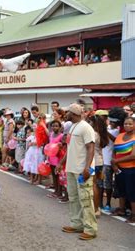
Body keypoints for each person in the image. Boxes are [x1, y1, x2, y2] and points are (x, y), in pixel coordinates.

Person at [58, 103, 97, 241]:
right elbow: (70, 148)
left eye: (67, 112)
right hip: (71, 169)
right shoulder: (73, 126)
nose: (65, 114)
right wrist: (61, 163)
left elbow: (90, 148)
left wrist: (87, 168)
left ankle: (90, 229)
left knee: (85, 200)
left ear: (73, 113)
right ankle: (76, 224)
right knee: (74, 198)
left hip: (82, 170)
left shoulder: (86, 128)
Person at [111, 117, 135, 223]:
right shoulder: (120, 136)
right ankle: (121, 209)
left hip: (131, 169)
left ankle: (134, 215)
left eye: (130, 124)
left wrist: (116, 161)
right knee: (121, 190)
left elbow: (133, 156)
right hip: (119, 168)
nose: (127, 126)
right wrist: (114, 164)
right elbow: (114, 150)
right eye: (125, 124)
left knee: (131, 192)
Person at [46, 120, 63, 198]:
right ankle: (56, 191)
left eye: (56, 126)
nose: (54, 127)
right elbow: (49, 146)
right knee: (54, 175)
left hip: (58, 158)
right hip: (51, 158)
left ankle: (59, 192)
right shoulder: (51, 134)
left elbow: (63, 147)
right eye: (53, 126)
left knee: (58, 176)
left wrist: (60, 145)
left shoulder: (61, 136)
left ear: (59, 127)